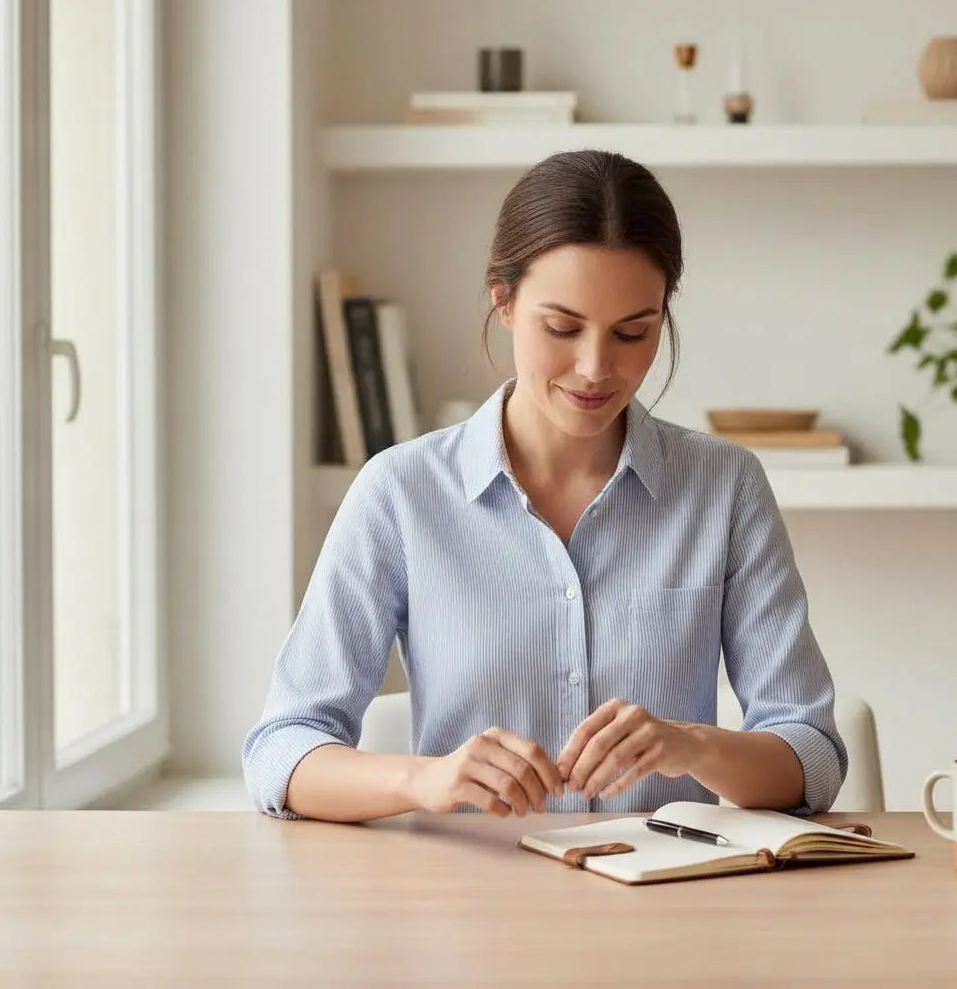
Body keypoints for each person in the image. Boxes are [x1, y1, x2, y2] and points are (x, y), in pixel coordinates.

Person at [242, 149, 847, 823]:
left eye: (633, 332)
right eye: (562, 328)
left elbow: (812, 755)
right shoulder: (401, 493)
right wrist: (425, 780)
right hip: (470, 908)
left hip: (670, 907)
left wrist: (691, 745)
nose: (595, 368)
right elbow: (282, 750)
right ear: (503, 302)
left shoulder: (724, 488)